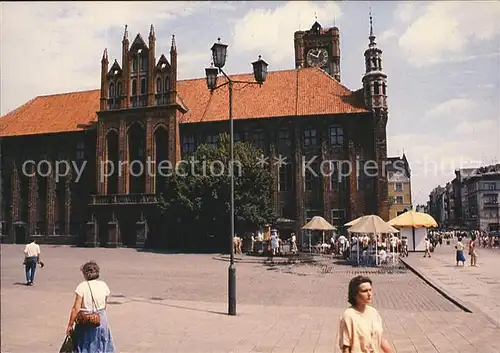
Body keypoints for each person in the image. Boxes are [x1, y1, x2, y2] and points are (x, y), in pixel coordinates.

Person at [66, 261, 115, 353]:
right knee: (101, 343)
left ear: (85, 273)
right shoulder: (103, 285)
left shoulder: (82, 286)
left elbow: (76, 308)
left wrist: (70, 325)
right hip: (101, 318)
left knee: (85, 345)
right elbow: (104, 304)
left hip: (85, 321)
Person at [339, 275, 393, 353]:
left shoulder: (373, 312)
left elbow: (380, 339)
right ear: (355, 294)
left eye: (370, 290)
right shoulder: (348, 316)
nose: (369, 294)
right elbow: (345, 347)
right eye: (364, 291)